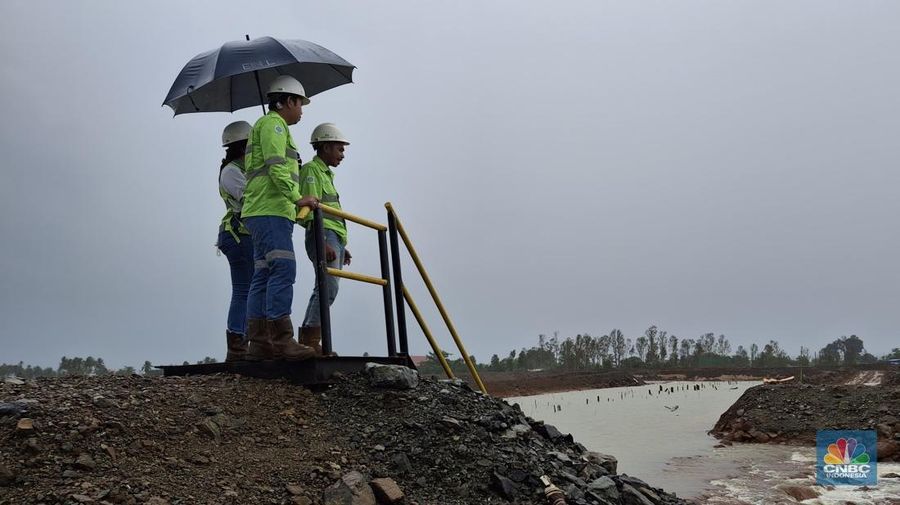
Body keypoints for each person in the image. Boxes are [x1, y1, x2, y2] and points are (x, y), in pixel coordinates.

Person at [241, 75, 319, 361]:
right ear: (287, 101)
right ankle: (282, 341)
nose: (301, 110)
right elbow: (275, 166)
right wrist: (297, 197)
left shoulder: (268, 126)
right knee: (283, 269)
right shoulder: (274, 125)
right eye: (300, 104)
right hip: (270, 210)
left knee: (263, 274)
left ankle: (260, 343)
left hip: (263, 211)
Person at [298, 123, 352, 355]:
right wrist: (323, 241)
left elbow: (329, 211)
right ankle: (309, 341)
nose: (342, 154)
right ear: (326, 146)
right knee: (327, 287)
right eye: (339, 149)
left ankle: (310, 339)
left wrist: (341, 245)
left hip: (332, 236)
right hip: (322, 234)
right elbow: (312, 209)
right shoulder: (312, 170)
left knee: (328, 288)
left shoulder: (326, 174)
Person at [217, 121, 254, 362]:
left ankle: (245, 342)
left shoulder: (244, 168)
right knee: (244, 289)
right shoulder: (231, 171)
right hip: (237, 234)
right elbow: (250, 198)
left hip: (245, 234)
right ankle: (237, 345)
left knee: (251, 288)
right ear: (243, 145)